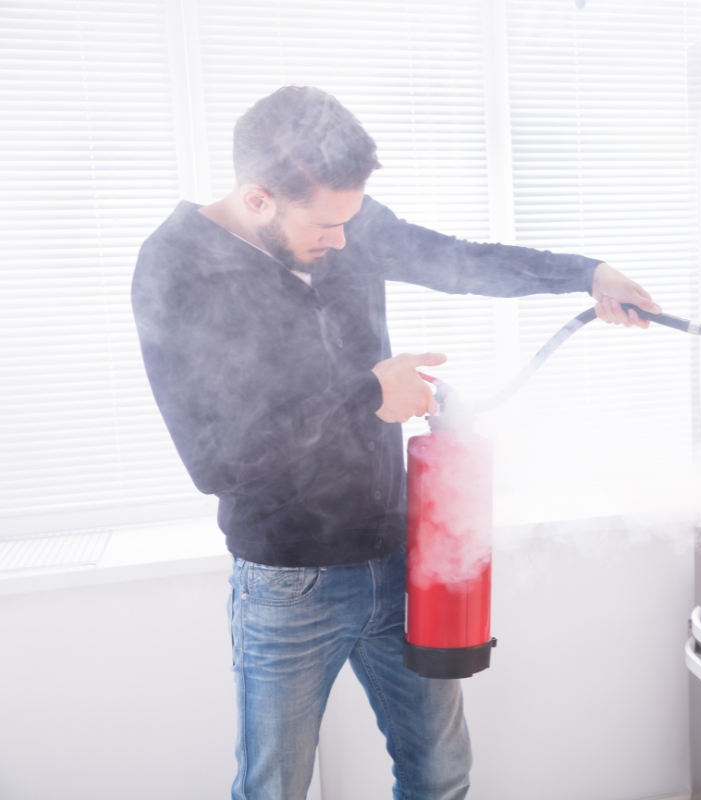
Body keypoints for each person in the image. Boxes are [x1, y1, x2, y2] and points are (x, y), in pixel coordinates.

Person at [131, 85, 659, 800]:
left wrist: (586, 275)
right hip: (290, 582)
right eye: (327, 225)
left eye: (352, 220)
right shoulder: (176, 269)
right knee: (273, 788)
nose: (346, 242)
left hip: (400, 561)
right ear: (259, 198)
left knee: (441, 774)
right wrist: (367, 397)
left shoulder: (341, 219)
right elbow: (219, 460)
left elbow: (458, 261)